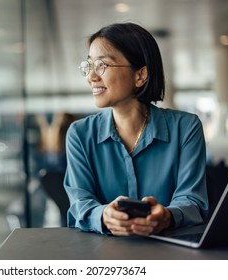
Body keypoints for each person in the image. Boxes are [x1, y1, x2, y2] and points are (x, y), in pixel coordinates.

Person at [64, 22, 209, 236]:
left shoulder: (186, 128)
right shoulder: (79, 134)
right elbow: (80, 202)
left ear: (140, 75)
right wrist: (104, 215)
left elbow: (192, 200)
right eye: (88, 66)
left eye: (102, 65)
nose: (91, 77)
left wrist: (167, 216)